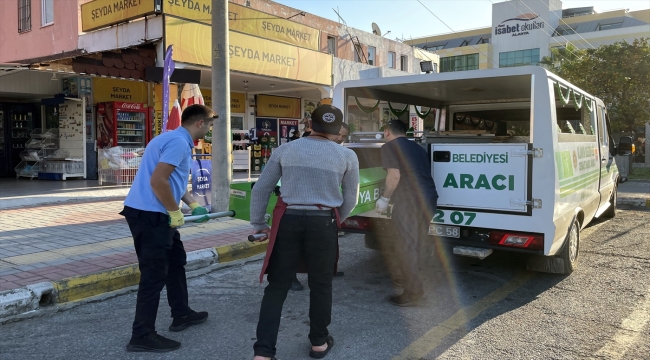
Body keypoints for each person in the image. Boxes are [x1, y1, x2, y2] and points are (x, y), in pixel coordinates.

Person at [250, 104, 360, 360]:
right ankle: (319, 343)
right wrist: (335, 220)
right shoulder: (346, 156)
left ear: (310, 125)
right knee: (321, 284)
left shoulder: (286, 149)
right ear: (337, 130)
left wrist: (259, 223)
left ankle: (263, 353)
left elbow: (261, 189)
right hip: (323, 223)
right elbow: (351, 199)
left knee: (277, 287)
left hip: (288, 221)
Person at [119, 104, 217, 352]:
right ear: (199, 123)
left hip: (152, 212)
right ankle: (141, 335)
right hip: (151, 215)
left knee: (175, 263)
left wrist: (192, 204)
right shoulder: (179, 143)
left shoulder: (169, 138)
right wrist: (174, 211)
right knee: (153, 275)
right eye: (209, 124)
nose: (209, 129)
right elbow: (158, 180)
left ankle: (181, 314)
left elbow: (171, 180)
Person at [375, 119, 438, 307]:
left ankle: (414, 293)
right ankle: (413, 284)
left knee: (406, 246)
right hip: (429, 198)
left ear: (387, 132)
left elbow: (394, 175)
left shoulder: (390, 147)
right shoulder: (418, 148)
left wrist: (384, 199)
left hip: (409, 201)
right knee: (416, 244)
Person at [291, 121, 351, 292]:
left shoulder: (340, 152)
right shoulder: (301, 146)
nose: (340, 138)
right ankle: (291, 276)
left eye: (344, 136)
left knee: (326, 246)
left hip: (325, 209)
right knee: (295, 246)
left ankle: (327, 270)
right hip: (298, 205)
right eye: (339, 133)